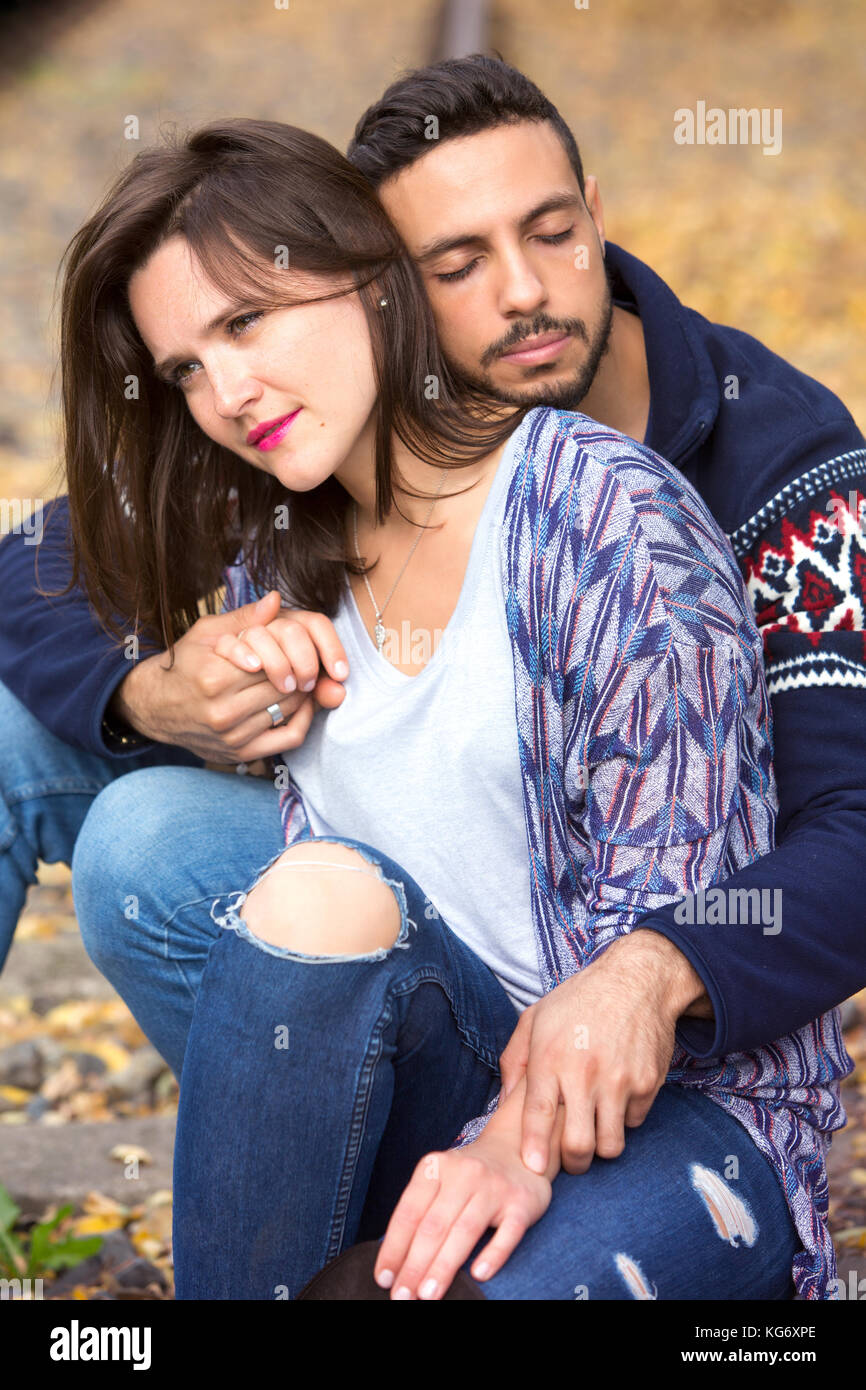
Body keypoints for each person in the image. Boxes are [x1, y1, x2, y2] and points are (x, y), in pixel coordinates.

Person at [55, 113, 848, 1302]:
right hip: (463, 1037)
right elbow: (36, 569)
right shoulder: (277, 528)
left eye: (246, 322)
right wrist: (176, 677)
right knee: (298, 887)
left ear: (370, 278)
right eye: (184, 367)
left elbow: (645, 976)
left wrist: (504, 1151)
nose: (225, 390)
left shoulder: (602, 517)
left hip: (668, 1101)